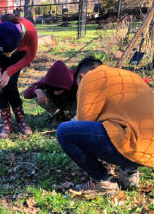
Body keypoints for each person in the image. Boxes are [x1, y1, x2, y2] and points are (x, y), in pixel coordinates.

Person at [56, 56, 154, 196]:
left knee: (64, 131)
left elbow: (85, 121)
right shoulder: (130, 75)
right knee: (119, 123)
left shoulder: (90, 78)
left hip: (131, 144)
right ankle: (129, 173)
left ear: (81, 76)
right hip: (149, 149)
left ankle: (102, 181)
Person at [0, 14, 38, 138]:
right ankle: (7, 124)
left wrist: (8, 72)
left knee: (10, 85)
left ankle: (21, 120)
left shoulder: (30, 31)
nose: (7, 54)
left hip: (20, 53)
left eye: (8, 51)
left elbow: (30, 56)